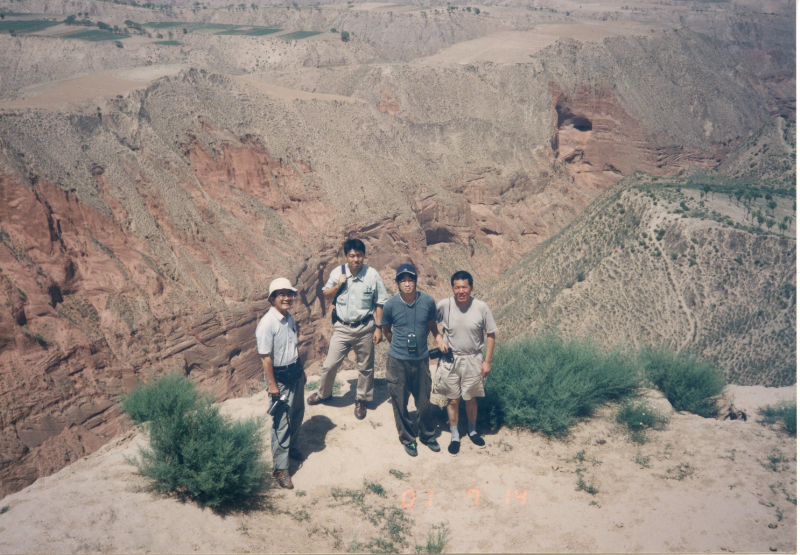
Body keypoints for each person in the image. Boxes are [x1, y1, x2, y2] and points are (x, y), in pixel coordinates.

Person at [307, 238, 389, 419]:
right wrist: (338, 285)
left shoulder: (372, 275)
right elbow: (326, 295)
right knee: (330, 365)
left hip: (365, 327)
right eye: (352, 255)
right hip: (342, 328)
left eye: (359, 255)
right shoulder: (338, 272)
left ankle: (361, 398)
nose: (356, 259)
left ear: (364, 256)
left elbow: (380, 302)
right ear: (345, 256)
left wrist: (378, 327)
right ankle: (324, 393)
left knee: (365, 367)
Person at [380, 263, 443, 457]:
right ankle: (408, 438)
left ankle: (427, 434)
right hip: (397, 361)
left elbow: (431, 324)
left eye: (410, 280)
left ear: (416, 281)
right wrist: (398, 347)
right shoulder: (391, 305)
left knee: (424, 400)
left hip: (421, 359)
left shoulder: (428, 301)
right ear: (398, 283)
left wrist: (435, 338)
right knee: (399, 401)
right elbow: (386, 330)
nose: (407, 284)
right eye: (403, 280)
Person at [433, 270, 497, 456]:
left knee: (470, 398)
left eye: (464, 287)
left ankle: (473, 431)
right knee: (453, 400)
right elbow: (430, 323)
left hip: (473, 358)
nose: (461, 291)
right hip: (450, 359)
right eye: (457, 287)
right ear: (453, 288)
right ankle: (455, 436)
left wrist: (487, 361)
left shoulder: (481, 307)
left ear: (471, 287)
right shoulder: (444, 305)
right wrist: (438, 338)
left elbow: (491, 334)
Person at [256, 277, 306, 489]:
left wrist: (301, 371)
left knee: (297, 412)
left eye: (289, 294)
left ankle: (290, 447)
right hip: (280, 378)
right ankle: (281, 467)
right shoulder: (267, 324)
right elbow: (265, 357)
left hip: (295, 372)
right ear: (272, 298)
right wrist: (272, 385)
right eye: (281, 294)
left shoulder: (289, 318)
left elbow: (293, 348)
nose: (287, 298)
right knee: (281, 422)